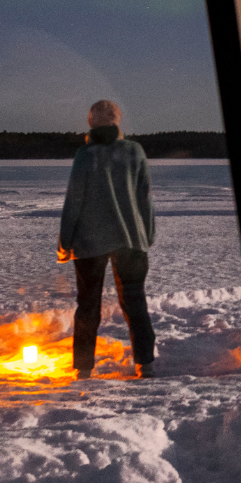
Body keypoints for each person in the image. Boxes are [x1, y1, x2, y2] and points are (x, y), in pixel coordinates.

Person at [57, 99, 158, 379]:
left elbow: (73, 202)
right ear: (117, 122)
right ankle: (145, 363)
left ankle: (84, 367)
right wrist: (147, 235)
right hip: (131, 239)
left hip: (90, 243)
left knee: (88, 305)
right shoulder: (134, 152)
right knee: (135, 301)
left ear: (91, 123)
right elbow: (144, 199)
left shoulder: (86, 155)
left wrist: (65, 243)